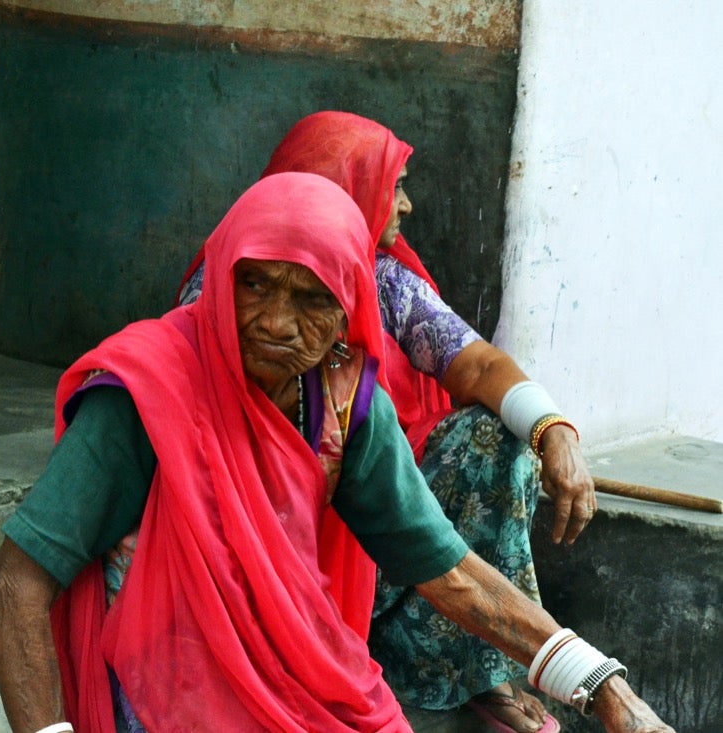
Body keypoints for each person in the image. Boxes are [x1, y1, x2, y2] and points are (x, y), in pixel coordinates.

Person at [0, 172, 672, 733]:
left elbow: (448, 570)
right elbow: (14, 585)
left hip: (292, 669)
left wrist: (599, 680)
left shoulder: (342, 402)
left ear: (351, 310)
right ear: (222, 276)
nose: (277, 322)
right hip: (164, 681)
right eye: (254, 285)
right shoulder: (149, 392)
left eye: (312, 299)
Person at [177, 111, 597, 732]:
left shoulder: (381, 279)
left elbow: (475, 365)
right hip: (259, 531)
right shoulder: (225, 285)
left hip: (376, 526)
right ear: (337, 186)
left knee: (494, 440)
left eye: (314, 302)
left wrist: (553, 428)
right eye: (391, 184)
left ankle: (473, 669)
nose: (406, 204)